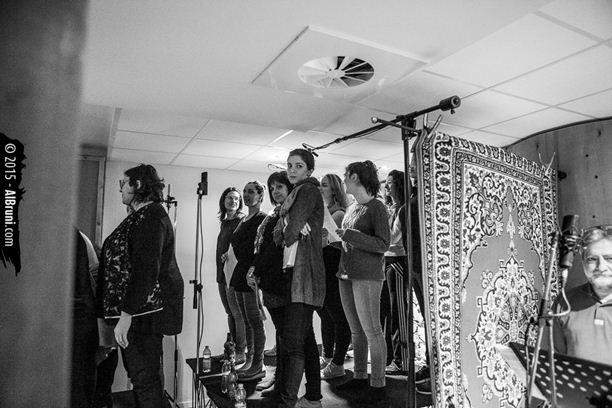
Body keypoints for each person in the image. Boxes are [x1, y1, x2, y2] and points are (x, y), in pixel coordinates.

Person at [96, 164, 184, 408]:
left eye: (124, 183)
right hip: (137, 314)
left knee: (145, 381)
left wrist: (127, 315)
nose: (120, 189)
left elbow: (146, 269)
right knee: (143, 380)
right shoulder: (141, 216)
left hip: (142, 316)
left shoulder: (152, 216)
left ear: (138, 185)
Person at [273, 148, 325, 408]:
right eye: (289, 165)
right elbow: (277, 235)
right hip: (293, 274)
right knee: (305, 341)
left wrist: (289, 225)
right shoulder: (292, 196)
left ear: (309, 170)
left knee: (293, 345)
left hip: (304, 275)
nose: (292, 170)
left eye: (298, 166)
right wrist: (288, 224)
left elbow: (290, 233)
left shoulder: (307, 191)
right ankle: (313, 398)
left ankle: (288, 402)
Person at [335, 160, 390, 404]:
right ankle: (359, 376)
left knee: (372, 330)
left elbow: (383, 244)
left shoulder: (377, 207)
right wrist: (334, 239)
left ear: (355, 177)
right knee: (356, 330)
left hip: (367, 275)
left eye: (346, 175)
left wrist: (351, 236)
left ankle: (378, 383)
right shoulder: (351, 207)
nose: (344, 180)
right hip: (346, 273)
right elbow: (349, 240)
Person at [246, 171, 294, 397]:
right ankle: (279, 379)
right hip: (269, 281)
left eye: (280, 187)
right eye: (272, 188)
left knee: (285, 337)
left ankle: (283, 383)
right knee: (280, 335)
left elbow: (274, 250)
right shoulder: (276, 213)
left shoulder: (288, 214)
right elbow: (262, 246)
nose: (275, 191)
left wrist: (257, 269)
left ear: (290, 188)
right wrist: (255, 269)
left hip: (280, 282)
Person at [553, 225, 612, 366]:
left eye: (609, 258)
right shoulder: (564, 302)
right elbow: (555, 361)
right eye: (592, 259)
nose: (601, 267)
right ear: (583, 263)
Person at [229, 181, 267, 381]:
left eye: (251, 192)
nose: (246, 195)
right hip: (239, 273)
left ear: (260, 196)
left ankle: (258, 363)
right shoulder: (243, 219)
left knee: (255, 321)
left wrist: (254, 271)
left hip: (251, 274)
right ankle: (250, 359)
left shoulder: (262, 219)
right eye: (244, 191)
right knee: (245, 320)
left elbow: (259, 250)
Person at [317, 173, 351, 380]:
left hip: (331, 267)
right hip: (323, 267)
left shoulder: (338, 213)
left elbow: (332, 243)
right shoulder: (324, 210)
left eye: (324, 185)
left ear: (334, 189)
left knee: (337, 315)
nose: (320, 188)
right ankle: (327, 355)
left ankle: (337, 361)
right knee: (325, 314)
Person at [216, 187, 247, 363]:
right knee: (229, 313)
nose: (233, 201)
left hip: (233, 275)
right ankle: (232, 350)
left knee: (237, 314)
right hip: (221, 274)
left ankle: (241, 351)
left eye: (236, 199)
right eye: (230, 198)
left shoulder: (241, 221)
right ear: (223, 200)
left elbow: (242, 247)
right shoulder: (224, 222)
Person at [381, 170, 408, 375]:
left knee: (398, 311)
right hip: (387, 261)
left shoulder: (402, 209)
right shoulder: (392, 208)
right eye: (386, 183)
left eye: (390, 183)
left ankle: (402, 360)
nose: (386, 186)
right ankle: (392, 357)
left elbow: (392, 237)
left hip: (397, 262)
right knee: (389, 313)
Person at [71, 228, 99, 408]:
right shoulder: (78, 237)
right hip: (82, 315)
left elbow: (93, 274)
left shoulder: (72, 236)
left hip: (78, 317)